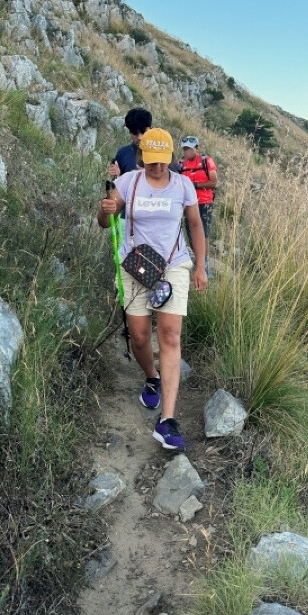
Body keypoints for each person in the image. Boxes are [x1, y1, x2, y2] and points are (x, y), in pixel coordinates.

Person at [98, 128, 208, 450]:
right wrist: (104, 212)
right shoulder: (127, 183)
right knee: (140, 336)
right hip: (134, 266)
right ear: (142, 157)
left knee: (170, 335)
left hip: (173, 265)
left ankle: (168, 420)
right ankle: (151, 376)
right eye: (151, 161)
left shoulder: (183, 185)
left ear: (172, 158)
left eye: (163, 162)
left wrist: (200, 266)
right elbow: (106, 222)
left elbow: (196, 225)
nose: (158, 168)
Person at [174, 135, 219, 260]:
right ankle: (199, 258)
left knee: (203, 232)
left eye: (189, 148)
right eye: (184, 149)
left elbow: (214, 182)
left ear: (196, 148)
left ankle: (204, 263)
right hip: (188, 204)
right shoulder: (181, 163)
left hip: (204, 202)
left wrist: (194, 185)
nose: (187, 151)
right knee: (190, 233)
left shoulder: (206, 161)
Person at [108, 108, 152, 179]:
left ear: (151, 128)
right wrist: (117, 177)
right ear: (130, 132)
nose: (140, 137)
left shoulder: (164, 153)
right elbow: (115, 187)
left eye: (143, 132)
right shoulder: (122, 154)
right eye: (135, 133)